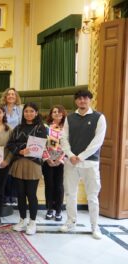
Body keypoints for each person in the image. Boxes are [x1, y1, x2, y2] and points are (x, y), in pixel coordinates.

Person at [60, 90, 106, 240]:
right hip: (71, 162)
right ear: (75, 101)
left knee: (92, 196)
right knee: (70, 194)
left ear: (90, 100)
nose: (82, 101)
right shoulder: (70, 118)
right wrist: (71, 155)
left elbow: (98, 142)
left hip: (90, 163)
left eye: (85, 98)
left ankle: (95, 226)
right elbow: (63, 138)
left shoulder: (99, 117)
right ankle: (71, 221)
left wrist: (80, 156)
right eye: (79, 98)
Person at [8, 102, 47, 236]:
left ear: (36, 113)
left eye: (31, 111)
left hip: (33, 164)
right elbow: (10, 144)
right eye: (26, 111)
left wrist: (24, 148)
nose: (28, 113)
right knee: (20, 194)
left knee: (31, 194)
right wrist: (21, 150)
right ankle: (22, 219)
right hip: (19, 162)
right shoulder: (18, 128)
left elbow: (39, 145)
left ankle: (32, 222)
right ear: (23, 113)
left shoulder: (41, 128)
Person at [42, 105, 67, 222]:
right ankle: (49, 209)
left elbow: (69, 146)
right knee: (49, 185)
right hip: (47, 161)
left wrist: (59, 160)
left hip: (61, 161)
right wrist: (48, 159)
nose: (57, 114)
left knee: (59, 186)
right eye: (54, 112)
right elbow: (41, 145)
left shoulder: (67, 128)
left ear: (63, 114)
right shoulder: (45, 128)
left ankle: (58, 210)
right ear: (51, 114)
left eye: (59, 112)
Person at [1, 87, 23, 206]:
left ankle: (12, 196)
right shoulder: (1, 109)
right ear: (5, 96)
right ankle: (4, 195)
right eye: (8, 94)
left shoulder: (20, 109)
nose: (10, 96)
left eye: (13, 94)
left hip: (16, 141)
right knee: (4, 168)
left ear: (16, 97)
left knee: (13, 168)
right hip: (3, 140)